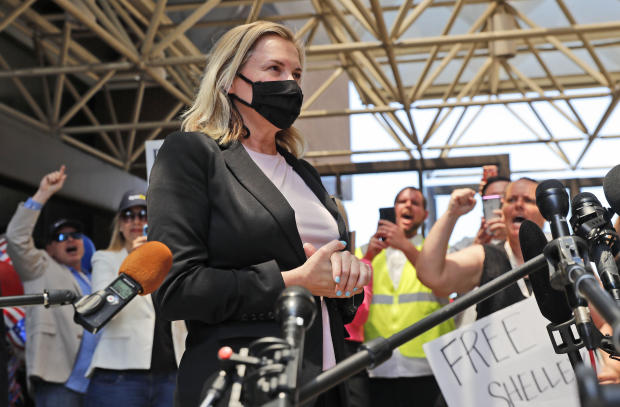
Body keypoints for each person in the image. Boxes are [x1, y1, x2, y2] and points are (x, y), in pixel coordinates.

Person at [147, 21, 371, 407]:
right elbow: (174, 290)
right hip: (245, 382)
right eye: (275, 70)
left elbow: (323, 278)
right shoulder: (192, 155)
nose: (292, 84)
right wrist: (289, 282)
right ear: (231, 80)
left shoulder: (303, 172)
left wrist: (347, 274)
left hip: (327, 378)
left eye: (297, 74)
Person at [5, 165, 97, 407]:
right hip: (59, 380)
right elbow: (16, 238)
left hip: (99, 381)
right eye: (60, 237)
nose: (70, 239)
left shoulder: (94, 277)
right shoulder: (40, 267)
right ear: (49, 248)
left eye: (75, 235)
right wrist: (42, 194)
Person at [85, 191, 186, 407]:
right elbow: (104, 311)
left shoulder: (171, 260)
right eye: (128, 215)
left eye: (143, 214)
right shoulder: (105, 258)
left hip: (171, 372)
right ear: (120, 224)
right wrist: (135, 262)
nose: (136, 221)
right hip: (120, 375)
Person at [359, 187, 455, 407]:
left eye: (415, 203)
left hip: (429, 366)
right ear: (393, 210)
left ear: (425, 215)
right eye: (402, 201)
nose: (408, 205)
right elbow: (352, 304)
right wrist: (368, 257)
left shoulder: (439, 252)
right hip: (377, 365)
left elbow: (445, 288)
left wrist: (405, 245)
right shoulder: (364, 251)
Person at [416, 177, 546, 319]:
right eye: (511, 200)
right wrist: (451, 214)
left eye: (528, 200)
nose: (519, 205)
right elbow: (431, 275)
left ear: (544, 212)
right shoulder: (488, 255)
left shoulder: (559, 251)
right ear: (502, 209)